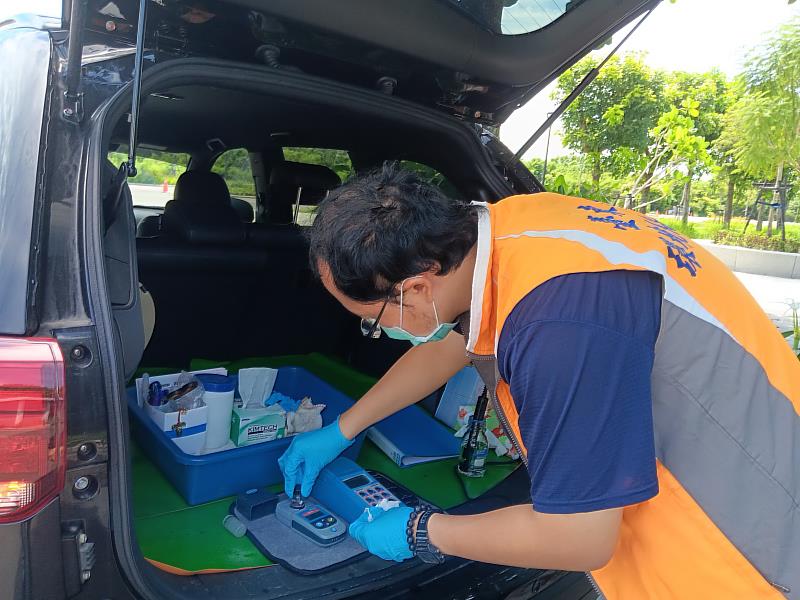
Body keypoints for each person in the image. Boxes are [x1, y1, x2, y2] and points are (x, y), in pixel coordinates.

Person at [279, 164, 799, 598]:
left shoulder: (560, 325)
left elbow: (579, 537)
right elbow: (454, 340)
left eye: (372, 320)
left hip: (746, 555)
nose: (378, 332)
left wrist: (421, 530)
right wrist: (343, 429)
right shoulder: (508, 232)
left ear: (414, 287)